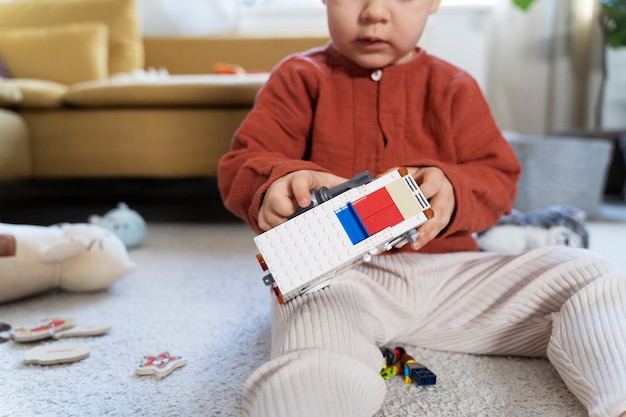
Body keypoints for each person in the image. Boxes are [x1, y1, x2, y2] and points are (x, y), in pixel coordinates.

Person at [218, 0, 626, 416]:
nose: (375, 12)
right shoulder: (298, 78)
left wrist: (454, 189)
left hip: (450, 278)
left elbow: (499, 176)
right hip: (339, 280)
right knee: (315, 342)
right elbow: (242, 163)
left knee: (588, 273)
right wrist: (277, 183)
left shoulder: (453, 85)